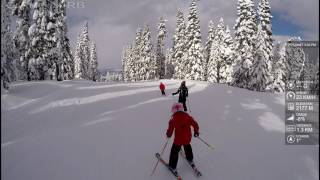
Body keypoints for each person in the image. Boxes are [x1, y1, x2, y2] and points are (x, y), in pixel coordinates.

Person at [166, 103, 199, 172]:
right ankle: (190, 158)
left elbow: (170, 129)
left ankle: (172, 166)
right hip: (187, 137)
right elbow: (194, 123)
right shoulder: (187, 116)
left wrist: (168, 135)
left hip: (178, 140)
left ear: (173, 110)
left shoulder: (173, 118)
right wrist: (196, 131)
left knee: (174, 152)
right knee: (187, 146)